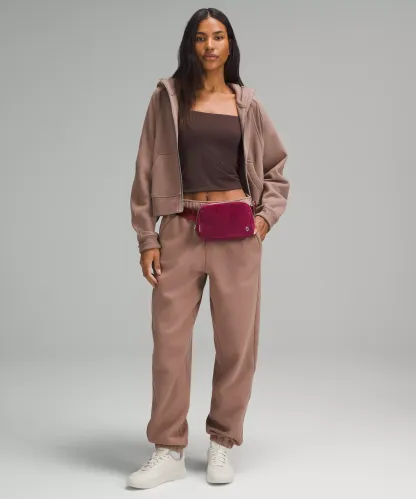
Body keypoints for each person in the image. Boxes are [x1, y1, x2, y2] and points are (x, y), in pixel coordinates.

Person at [126, 7, 290, 489]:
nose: (210, 45)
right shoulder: (168, 99)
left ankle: (222, 442)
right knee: (169, 344)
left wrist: (263, 220)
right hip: (179, 230)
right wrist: (147, 237)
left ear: (230, 44)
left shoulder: (247, 105)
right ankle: (168, 449)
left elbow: (276, 170)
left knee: (237, 344)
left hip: (236, 234)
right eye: (201, 38)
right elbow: (144, 170)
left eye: (218, 36)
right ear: (190, 45)